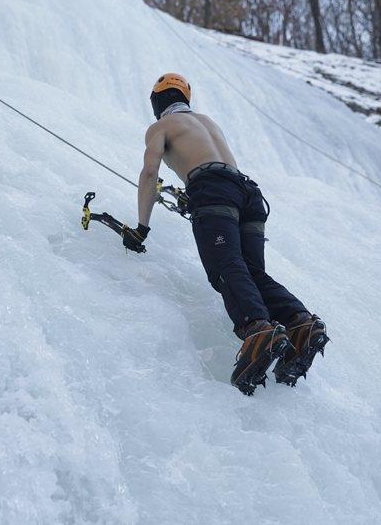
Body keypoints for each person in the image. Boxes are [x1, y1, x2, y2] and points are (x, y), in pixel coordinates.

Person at [121, 73, 329, 395]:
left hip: (214, 192)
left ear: (157, 103)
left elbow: (150, 172)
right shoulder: (207, 123)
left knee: (227, 267)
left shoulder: (160, 128)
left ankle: (258, 330)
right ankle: (300, 322)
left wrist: (141, 229)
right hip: (249, 194)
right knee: (251, 271)